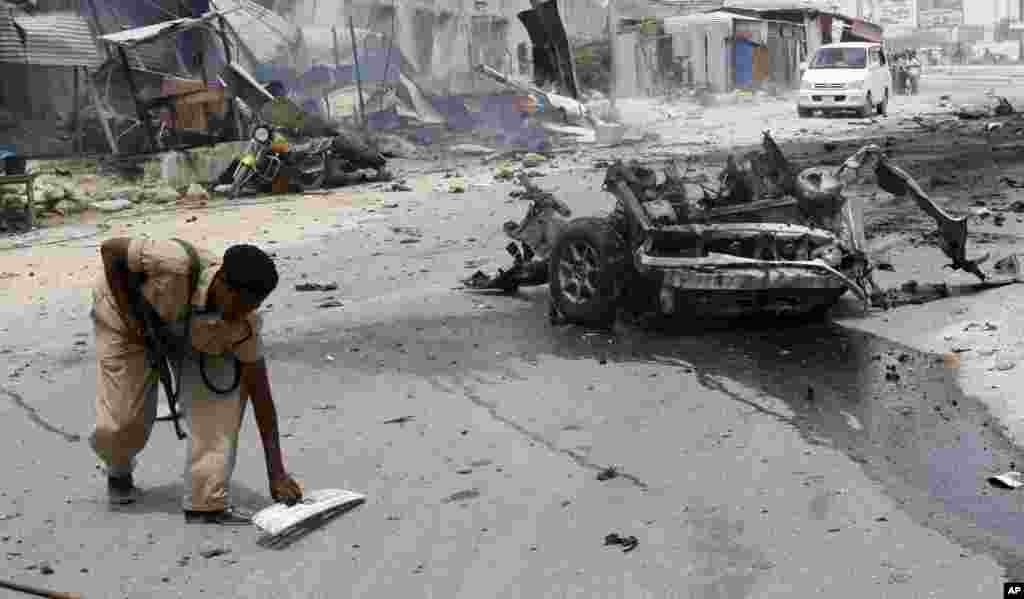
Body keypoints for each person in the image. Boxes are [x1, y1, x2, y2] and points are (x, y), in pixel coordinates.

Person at [90, 238, 303, 525]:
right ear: (223, 284)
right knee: (122, 422)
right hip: (124, 313)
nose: (242, 314)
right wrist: (134, 324)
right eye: (239, 305)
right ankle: (118, 468)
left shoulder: (244, 323)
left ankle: (206, 503)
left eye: (252, 307)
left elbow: (261, 397)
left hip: (191, 327)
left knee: (219, 410)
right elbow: (111, 250)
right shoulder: (174, 263)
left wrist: (276, 472)